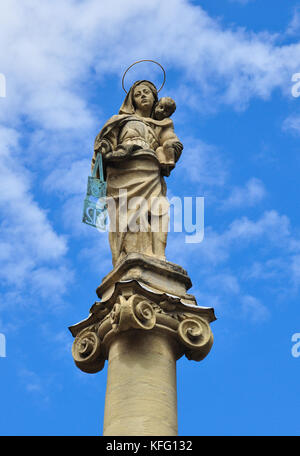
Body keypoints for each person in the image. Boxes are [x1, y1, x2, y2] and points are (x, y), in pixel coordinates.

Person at [91, 80, 183, 266]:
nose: (142, 95)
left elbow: (171, 141)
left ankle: (156, 256)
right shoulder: (120, 121)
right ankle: (131, 253)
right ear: (132, 100)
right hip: (123, 170)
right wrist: (105, 149)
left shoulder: (160, 125)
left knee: (158, 211)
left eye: (146, 92)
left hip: (150, 169)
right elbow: (105, 144)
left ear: (155, 99)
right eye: (138, 93)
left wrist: (170, 146)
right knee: (129, 213)